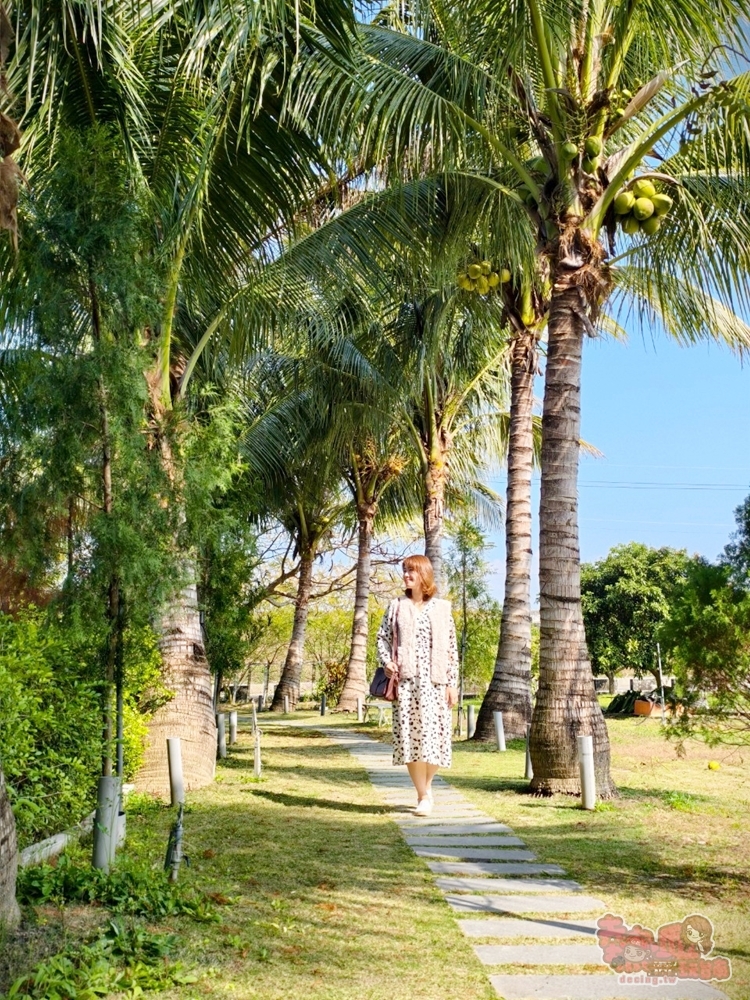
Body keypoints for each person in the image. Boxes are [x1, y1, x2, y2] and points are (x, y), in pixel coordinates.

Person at [376, 554, 459, 816]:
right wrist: (387, 661)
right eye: (404, 571)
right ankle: (423, 795)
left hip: (435, 684)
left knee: (434, 739)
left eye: (411, 571)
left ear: (424, 575)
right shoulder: (396, 606)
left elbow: (452, 650)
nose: (406, 576)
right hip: (407, 684)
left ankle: (428, 789)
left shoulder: (443, 609)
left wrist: (452, 683)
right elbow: (382, 639)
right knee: (411, 740)